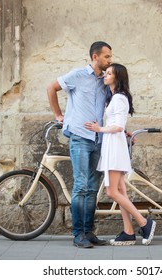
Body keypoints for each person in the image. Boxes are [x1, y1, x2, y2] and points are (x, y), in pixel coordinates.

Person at [47, 41, 112, 248]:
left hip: (98, 140)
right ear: (95, 57)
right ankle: (78, 234)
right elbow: (52, 87)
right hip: (80, 137)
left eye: (110, 57)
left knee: (93, 188)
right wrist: (58, 115)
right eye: (106, 57)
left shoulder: (106, 81)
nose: (110, 60)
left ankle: (88, 231)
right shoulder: (77, 75)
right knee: (81, 185)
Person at [84, 63, 156, 246]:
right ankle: (128, 232)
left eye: (109, 73)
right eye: (105, 73)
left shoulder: (119, 98)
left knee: (112, 192)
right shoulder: (116, 98)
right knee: (121, 191)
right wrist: (121, 131)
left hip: (114, 148)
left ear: (118, 77)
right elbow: (118, 125)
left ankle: (144, 223)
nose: (105, 76)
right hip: (113, 145)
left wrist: (98, 128)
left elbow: (118, 126)